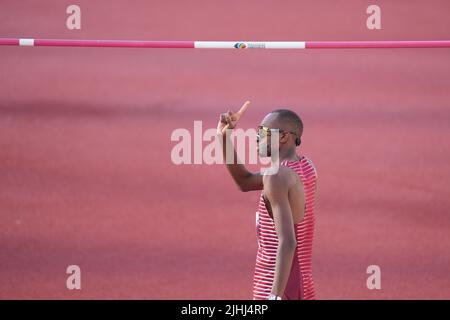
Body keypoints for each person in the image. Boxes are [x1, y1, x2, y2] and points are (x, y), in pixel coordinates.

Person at [217, 101, 318, 300]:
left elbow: (288, 242)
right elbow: (244, 181)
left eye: (263, 132)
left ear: (283, 136)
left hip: (275, 285)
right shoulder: (306, 167)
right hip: (302, 286)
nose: (257, 137)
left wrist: (274, 297)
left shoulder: (276, 177)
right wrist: (223, 136)